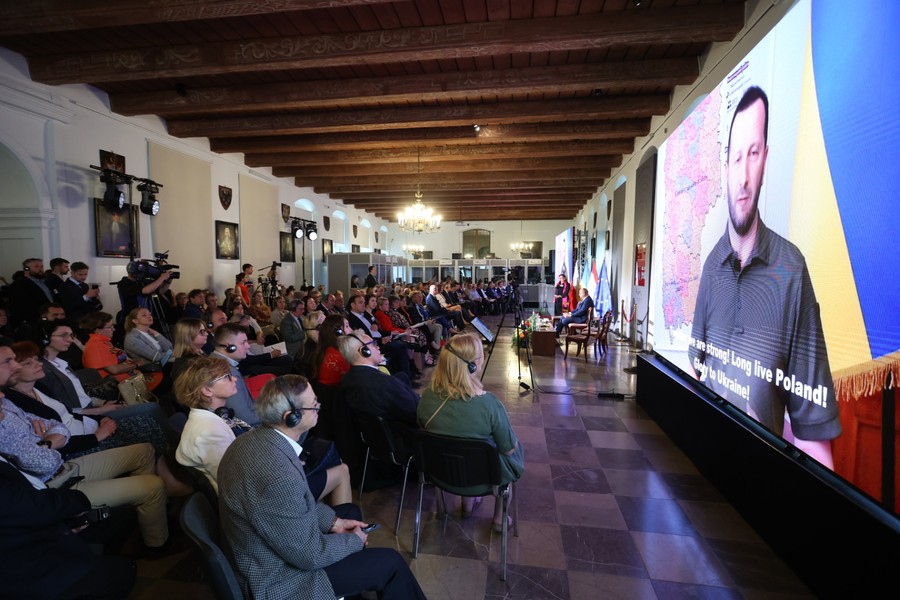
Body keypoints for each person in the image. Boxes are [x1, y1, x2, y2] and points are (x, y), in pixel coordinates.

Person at [688, 86, 840, 466]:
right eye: (736, 157)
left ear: (765, 158)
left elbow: (813, 433)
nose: (742, 177)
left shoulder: (792, 272)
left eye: (752, 154)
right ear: (725, 167)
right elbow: (696, 370)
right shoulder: (711, 267)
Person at [217, 375, 427, 600]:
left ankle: (348, 588)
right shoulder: (276, 476)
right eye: (313, 404)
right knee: (391, 563)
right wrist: (353, 541)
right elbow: (309, 556)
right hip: (279, 578)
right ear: (292, 417)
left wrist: (336, 523)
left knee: (349, 512)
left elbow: (300, 500)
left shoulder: (253, 440)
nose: (318, 407)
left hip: (273, 550)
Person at [417, 333, 524, 530]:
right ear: (473, 365)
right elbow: (508, 449)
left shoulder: (426, 398)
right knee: (510, 453)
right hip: (484, 481)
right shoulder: (489, 404)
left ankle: (468, 503)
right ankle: (500, 519)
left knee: (459, 446)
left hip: (441, 474)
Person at [0, 456, 137, 599]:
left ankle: (91, 558)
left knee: (123, 515)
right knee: (124, 571)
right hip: (25, 564)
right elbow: (33, 505)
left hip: (42, 518)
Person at [338, 331, 420, 442]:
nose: (378, 348)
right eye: (373, 344)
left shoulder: (346, 379)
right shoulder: (384, 383)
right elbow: (417, 414)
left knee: (402, 376)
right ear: (364, 351)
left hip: (376, 440)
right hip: (404, 438)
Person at [7, 258, 56, 325]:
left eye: (41, 266)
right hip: (35, 321)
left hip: (51, 318)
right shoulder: (19, 284)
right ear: (26, 269)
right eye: (36, 266)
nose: (40, 269)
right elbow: (23, 306)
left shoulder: (46, 282)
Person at [311, 314, 351, 387]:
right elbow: (352, 377)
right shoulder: (337, 356)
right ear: (338, 332)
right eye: (347, 326)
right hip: (336, 395)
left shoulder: (326, 349)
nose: (351, 330)